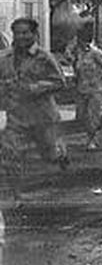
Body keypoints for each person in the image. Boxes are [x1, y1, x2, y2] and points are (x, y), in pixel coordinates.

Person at [0, 17, 70, 207]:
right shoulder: (4, 58)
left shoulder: (44, 57)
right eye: (17, 33)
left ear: (34, 34)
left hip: (43, 117)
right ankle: (17, 196)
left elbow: (60, 82)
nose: (21, 37)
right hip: (16, 116)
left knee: (50, 155)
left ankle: (61, 154)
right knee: (10, 155)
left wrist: (36, 87)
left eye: (25, 32)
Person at [69, 22, 102, 151]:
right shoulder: (78, 53)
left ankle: (92, 139)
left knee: (93, 115)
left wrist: (101, 79)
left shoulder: (95, 53)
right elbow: (76, 67)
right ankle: (90, 135)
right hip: (82, 88)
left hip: (95, 89)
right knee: (82, 115)